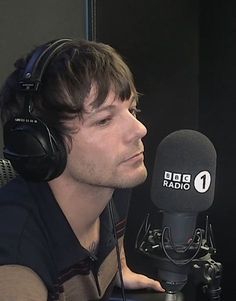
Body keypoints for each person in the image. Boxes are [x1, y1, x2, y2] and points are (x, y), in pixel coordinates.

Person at [0, 38, 164, 300]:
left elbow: (113, 245)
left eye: (132, 109)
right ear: (42, 143)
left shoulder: (112, 185)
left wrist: (120, 268)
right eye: (104, 120)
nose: (139, 129)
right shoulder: (16, 260)